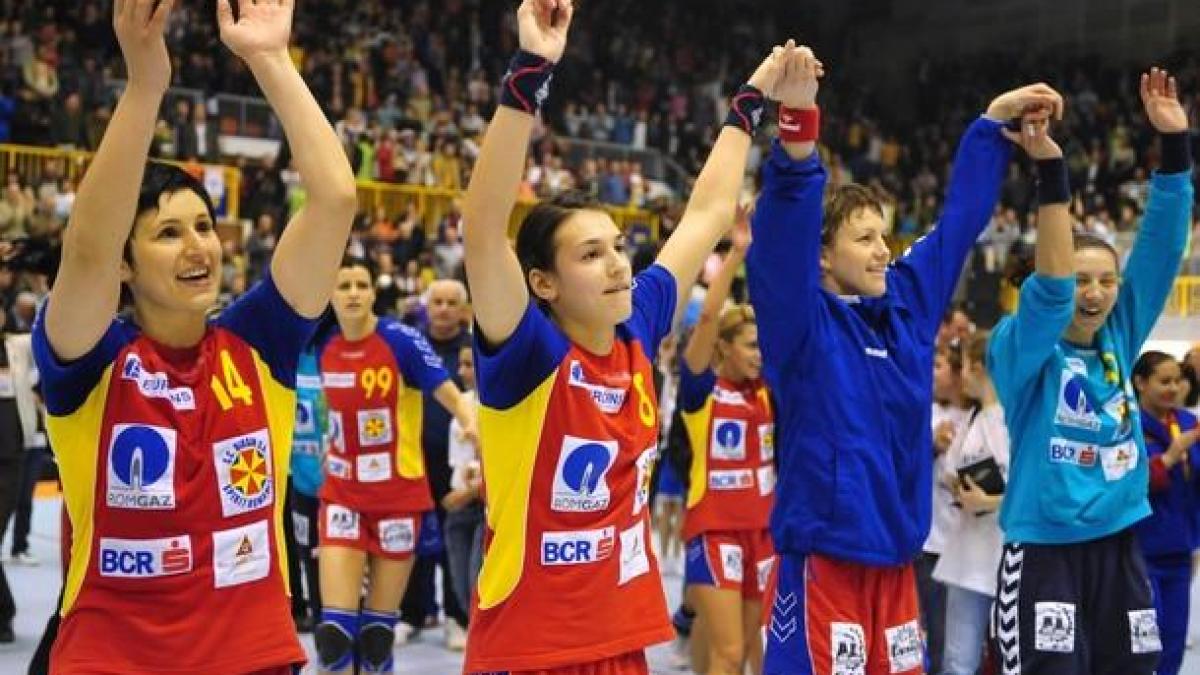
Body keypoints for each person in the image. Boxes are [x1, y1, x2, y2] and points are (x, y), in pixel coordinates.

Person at [30, 0, 358, 672]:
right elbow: (88, 250)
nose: (198, 246)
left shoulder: (258, 342)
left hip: (255, 654)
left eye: (204, 226)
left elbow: (335, 199)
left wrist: (270, 59)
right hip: (113, 657)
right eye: (168, 233)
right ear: (126, 263)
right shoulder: (89, 360)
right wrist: (147, 83)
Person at [461, 1, 786, 671]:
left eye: (618, 246)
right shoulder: (526, 353)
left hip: (621, 640)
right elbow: (481, 226)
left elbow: (706, 215)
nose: (617, 263)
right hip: (530, 647)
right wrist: (529, 72)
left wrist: (749, 104)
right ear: (542, 283)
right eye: (590, 254)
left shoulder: (637, 319)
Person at [749, 43, 1059, 673]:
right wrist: (799, 131)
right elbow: (779, 240)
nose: (883, 251)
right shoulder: (800, 326)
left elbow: (957, 226)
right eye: (863, 239)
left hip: (896, 567)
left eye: (884, 235)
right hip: (821, 565)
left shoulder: (909, 308)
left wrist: (990, 127)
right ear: (822, 257)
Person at [988, 68, 1192, 675]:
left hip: (1121, 545)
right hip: (1045, 551)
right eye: (1082, 280)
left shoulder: (1119, 336)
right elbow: (1048, 296)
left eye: (1106, 280)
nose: (1096, 294)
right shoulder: (1021, 348)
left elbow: (1158, 249)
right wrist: (1050, 169)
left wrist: (1176, 148)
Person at [314, 257, 475, 675]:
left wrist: (473, 426)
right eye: (343, 284)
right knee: (334, 638)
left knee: (376, 639)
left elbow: (453, 396)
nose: (351, 293)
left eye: (360, 285)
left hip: (397, 499)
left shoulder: (400, 340)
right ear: (328, 293)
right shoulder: (324, 343)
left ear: (372, 293)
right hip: (341, 496)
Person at [678, 213, 775, 675]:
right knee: (730, 652)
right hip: (715, 529)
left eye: (762, 346)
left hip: (765, 532)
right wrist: (736, 254)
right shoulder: (702, 392)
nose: (759, 354)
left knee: (754, 651)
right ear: (727, 347)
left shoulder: (768, 392)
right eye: (751, 345)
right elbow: (708, 320)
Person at [399, 279, 472, 649]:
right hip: (414, 457)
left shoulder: (474, 348)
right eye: (437, 302)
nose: (443, 309)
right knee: (412, 540)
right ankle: (411, 613)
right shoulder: (411, 343)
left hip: (459, 463)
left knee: (454, 543)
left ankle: (457, 617)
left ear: (463, 310)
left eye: (450, 302)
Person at [932, 331, 1010, 675]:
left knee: (1010, 658)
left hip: (1006, 555)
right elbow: (949, 472)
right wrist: (960, 487)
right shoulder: (973, 418)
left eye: (962, 366)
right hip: (966, 558)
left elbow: (1035, 489)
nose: (959, 375)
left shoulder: (1014, 418)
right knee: (958, 662)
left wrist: (992, 498)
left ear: (978, 367)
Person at [1130, 351, 1200, 675]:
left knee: (1174, 639)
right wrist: (1169, 458)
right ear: (1140, 383)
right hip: (1141, 550)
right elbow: (1130, 484)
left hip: (1180, 550)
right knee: (1144, 642)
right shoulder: (1126, 426)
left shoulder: (1188, 423)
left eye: (1177, 380)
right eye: (1164, 381)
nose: (1173, 388)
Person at [441, 342, 485, 639]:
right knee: (460, 588)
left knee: (478, 586)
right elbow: (460, 464)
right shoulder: (461, 405)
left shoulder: (506, 405)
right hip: (461, 507)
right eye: (461, 364)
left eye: (469, 364)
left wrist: (471, 491)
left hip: (488, 509)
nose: (462, 372)